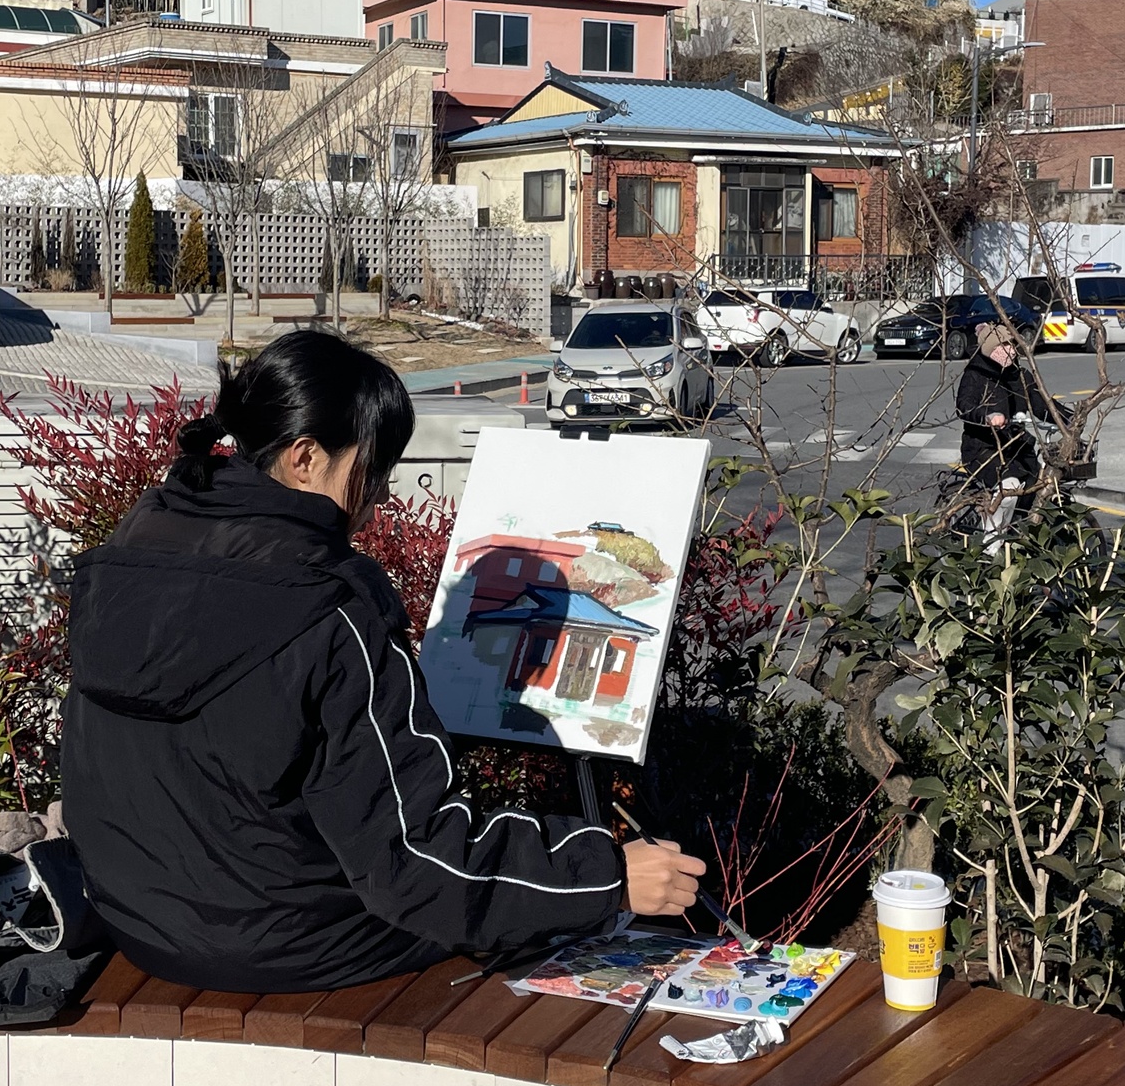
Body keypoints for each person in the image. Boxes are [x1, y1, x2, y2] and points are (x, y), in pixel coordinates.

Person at [61, 330, 705, 994]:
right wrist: (607, 874)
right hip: (291, 941)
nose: (380, 500)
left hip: (139, 924)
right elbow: (414, 862)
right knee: (526, 931)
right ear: (306, 458)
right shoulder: (330, 607)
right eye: (373, 472)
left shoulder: (132, 554)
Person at [955, 321, 1061, 547]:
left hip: (1016, 446)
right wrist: (987, 416)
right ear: (991, 349)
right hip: (984, 449)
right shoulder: (976, 374)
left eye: (1013, 345)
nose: (1012, 351)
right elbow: (964, 406)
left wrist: (1070, 419)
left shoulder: (1020, 375)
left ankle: (1018, 537)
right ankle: (991, 549)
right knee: (1010, 487)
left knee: (1036, 485)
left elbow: (1042, 406)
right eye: (1005, 346)